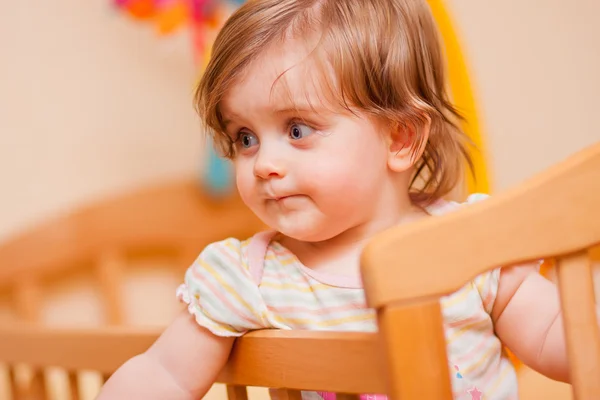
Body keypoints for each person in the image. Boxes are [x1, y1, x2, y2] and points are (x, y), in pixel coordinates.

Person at [98, 0, 576, 398]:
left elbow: (560, 337)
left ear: (400, 138)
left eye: (297, 129)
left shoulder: (468, 244)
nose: (264, 162)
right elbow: (164, 374)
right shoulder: (250, 276)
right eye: (245, 137)